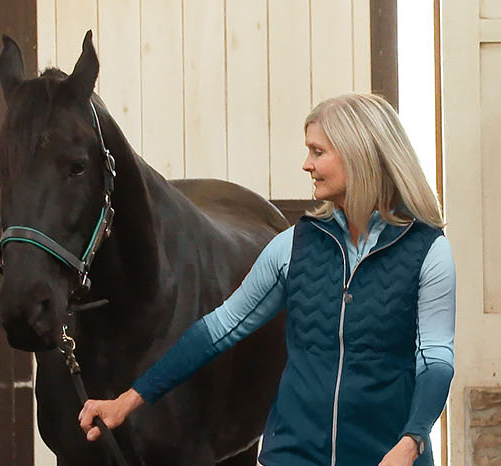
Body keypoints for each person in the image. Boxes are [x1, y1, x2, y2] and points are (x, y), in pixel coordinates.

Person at [78, 93, 455, 466]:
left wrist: (412, 441)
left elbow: (435, 360)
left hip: (389, 457)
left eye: (318, 152)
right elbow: (218, 329)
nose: (307, 165)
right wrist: (128, 400)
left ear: (359, 155)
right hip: (292, 456)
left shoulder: (428, 253)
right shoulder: (290, 247)